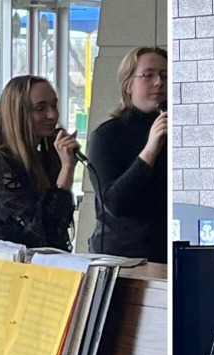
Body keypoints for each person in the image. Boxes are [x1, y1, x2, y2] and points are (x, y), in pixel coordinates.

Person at [0, 75, 80, 251]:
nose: (52, 115)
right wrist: (66, 170)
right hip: (12, 269)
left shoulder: (45, 157)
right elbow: (39, 230)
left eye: (54, 105)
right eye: (40, 108)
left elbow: (60, 229)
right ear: (18, 114)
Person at [87, 47, 168, 263]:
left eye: (164, 75)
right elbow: (115, 203)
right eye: (148, 75)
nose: (158, 82)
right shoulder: (107, 136)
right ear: (128, 84)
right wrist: (150, 150)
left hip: (167, 253)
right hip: (123, 258)